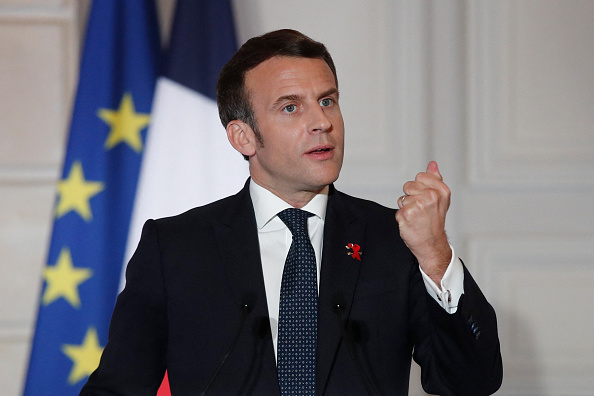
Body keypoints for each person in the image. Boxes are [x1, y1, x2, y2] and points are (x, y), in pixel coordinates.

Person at [81, 29, 502, 395]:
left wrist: (435, 255)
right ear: (243, 136)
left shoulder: (392, 238)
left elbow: (470, 382)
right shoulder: (175, 248)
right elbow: (118, 387)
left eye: (328, 100)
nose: (322, 122)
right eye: (291, 107)